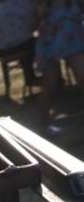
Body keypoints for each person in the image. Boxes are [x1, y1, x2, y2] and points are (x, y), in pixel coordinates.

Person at [35, 0, 84, 128]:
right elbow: (35, 23)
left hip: (74, 39)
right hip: (50, 41)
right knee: (51, 85)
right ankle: (43, 123)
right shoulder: (43, 5)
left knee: (82, 75)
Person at [0, 0, 39, 86]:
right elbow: (36, 26)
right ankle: (33, 77)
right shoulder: (29, 4)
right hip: (14, 46)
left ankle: (30, 72)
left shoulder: (6, 3)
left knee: (25, 39)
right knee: (41, 43)